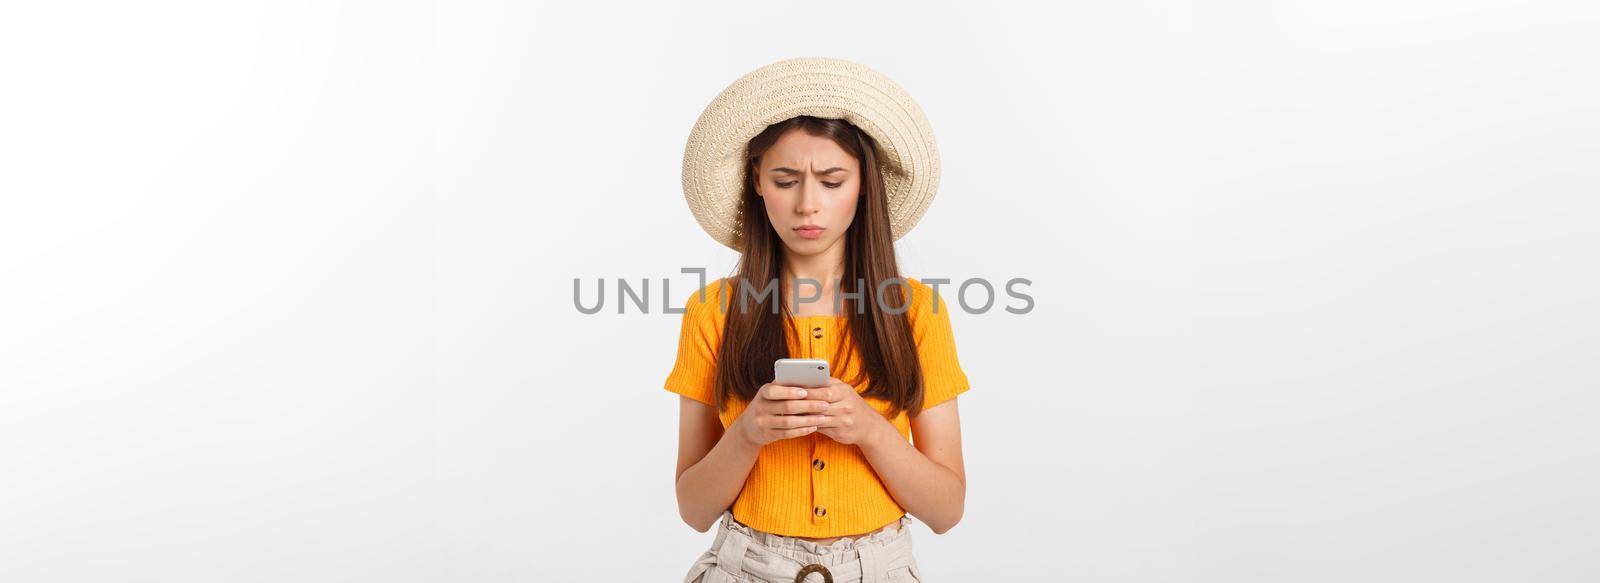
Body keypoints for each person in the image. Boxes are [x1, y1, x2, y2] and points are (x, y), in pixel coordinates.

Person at [665, 57, 970, 583]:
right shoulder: (712, 312)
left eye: (832, 181)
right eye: (786, 180)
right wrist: (748, 433)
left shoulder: (918, 311)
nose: (808, 205)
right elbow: (693, 511)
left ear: (863, 187)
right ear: (757, 182)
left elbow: (947, 510)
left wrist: (870, 430)